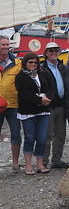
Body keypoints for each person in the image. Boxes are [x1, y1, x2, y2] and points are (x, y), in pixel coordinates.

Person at [15, 53, 54, 175]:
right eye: (30, 62)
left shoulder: (44, 73)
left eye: (35, 62)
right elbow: (23, 94)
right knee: (30, 138)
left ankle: (40, 163)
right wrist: (39, 100)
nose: (32, 64)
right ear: (25, 63)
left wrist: (48, 98)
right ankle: (28, 165)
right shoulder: (20, 76)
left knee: (42, 138)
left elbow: (52, 86)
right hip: (28, 112)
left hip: (43, 111)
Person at [41, 42, 68, 169]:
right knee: (47, 135)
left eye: (55, 50)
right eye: (50, 50)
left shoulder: (61, 66)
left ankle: (56, 160)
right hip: (49, 106)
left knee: (60, 134)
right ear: (46, 53)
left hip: (61, 105)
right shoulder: (42, 68)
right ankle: (44, 162)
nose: (53, 53)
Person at [0, 35, 22, 172]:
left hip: (13, 104)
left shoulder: (17, 63)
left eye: (7, 45)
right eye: (3, 45)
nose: (6, 47)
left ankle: (15, 163)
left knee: (16, 133)